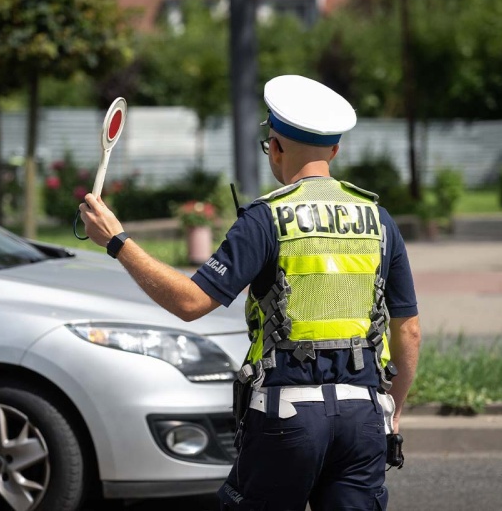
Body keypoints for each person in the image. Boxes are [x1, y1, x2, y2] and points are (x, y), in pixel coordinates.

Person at [79, 74, 421, 511]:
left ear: (275, 146)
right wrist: (392, 411)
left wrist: (117, 241)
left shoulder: (265, 220)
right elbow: (407, 329)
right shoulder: (380, 220)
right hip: (365, 417)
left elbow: (189, 302)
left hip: (287, 418)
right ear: (335, 150)